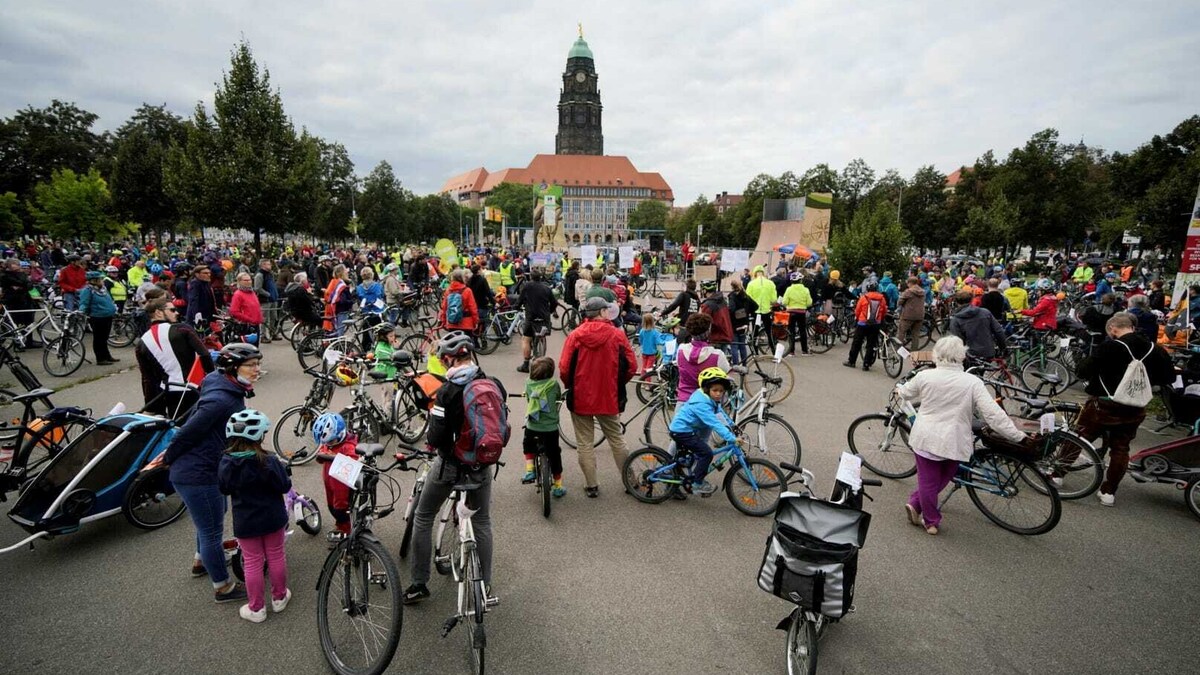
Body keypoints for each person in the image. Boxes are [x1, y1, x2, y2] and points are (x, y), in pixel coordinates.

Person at [145, 343, 261, 604]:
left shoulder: (222, 384)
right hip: (197, 472)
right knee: (211, 531)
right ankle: (223, 587)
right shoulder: (221, 400)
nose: (257, 370)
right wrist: (168, 458)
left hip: (207, 467)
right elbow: (188, 431)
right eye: (251, 365)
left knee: (212, 517)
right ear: (233, 368)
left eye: (257, 364)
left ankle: (200, 562)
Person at [403, 332, 501, 604]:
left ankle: (419, 583)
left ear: (448, 359)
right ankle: (485, 588)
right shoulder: (492, 383)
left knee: (423, 516)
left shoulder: (446, 393)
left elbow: (435, 439)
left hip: (451, 466)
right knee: (482, 521)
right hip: (482, 464)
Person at [897, 336, 1027, 534]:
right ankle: (918, 506)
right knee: (945, 476)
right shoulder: (972, 382)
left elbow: (906, 393)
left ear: (936, 355)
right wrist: (1017, 435)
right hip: (955, 441)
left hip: (926, 437)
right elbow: (992, 414)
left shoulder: (925, 376)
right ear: (961, 356)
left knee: (927, 481)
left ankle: (929, 520)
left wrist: (899, 389)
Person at [1073, 313, 1175, 506]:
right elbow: (1168, 378)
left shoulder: (1109, 346)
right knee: (1121, 448)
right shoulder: (1156, 349)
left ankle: (1057, 474)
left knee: (1080, 437)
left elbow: (1083, 371)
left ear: (1113, 328)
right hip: (1135, 408)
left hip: (1104, 403)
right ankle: (1109, 492)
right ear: (1132, 327)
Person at [217, 409, 292, 623]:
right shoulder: (268, 460)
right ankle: (279, 598)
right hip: (273, 518)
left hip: (246, 522)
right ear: (259, 436)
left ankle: (257, 609)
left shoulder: (227, 462)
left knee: (252, 562)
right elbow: (285, 486)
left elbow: (223, 488)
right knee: (276, 555)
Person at [559, 297, 637, 498]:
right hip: (608, 396)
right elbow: (631, 365)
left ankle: (591, 484)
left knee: (585, 442)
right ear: (602, 312)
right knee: (616, 439)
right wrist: (619, 383)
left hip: (581, 396)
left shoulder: (576, 335)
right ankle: (630, 481)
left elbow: (565, 368)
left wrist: (571, 385)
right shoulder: (616, 335)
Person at [135, 298, 214, 417]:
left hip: (169, 392)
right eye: (172, 310)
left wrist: (152, 407)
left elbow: (148, 378)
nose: (176, 312)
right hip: (194, 388)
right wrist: (213, 378)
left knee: (178, 430)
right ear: (158, 312)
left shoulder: (142, 342)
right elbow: (204, 354)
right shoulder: (182, 329)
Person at [668, 367, 738, 497]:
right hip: (682, 431)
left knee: (687, 457)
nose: (718, 394)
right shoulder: (701, 404)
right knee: (706, 453)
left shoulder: (708, 398)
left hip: (687, 430)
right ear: (707, 389)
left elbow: (719, 412)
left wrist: (732, 425)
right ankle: (697, 483)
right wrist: (731, 437)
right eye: (715, 390)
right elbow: (714, 422)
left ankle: (681, 479)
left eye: (721, 391)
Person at [521, 356, 566, 498]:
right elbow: (558, 396)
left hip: (533, 425)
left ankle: (530, 470)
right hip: (550, 428)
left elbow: (528, 398)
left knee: (528, 445)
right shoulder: (553, 384)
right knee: (554, 454)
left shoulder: (528, 383)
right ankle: (558, 486)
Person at [313, 411, 358, 539]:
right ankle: (341, 525)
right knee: (331, 506)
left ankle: (346, 531)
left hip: (341, 485)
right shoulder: (329, 442)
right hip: (329, 482)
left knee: (341, 509)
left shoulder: (347, 446)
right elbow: (323, 450)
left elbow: (353, 460)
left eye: (331, 441)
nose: (328, 445)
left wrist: (334, 457)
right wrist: (322, 455)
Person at [675, 313, 731, 403]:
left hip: (684, 400)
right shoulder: (717, 355)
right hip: (707, 402)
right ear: (708, 332)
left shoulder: (681, 350)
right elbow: (726, 370)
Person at [514, 268, 554, 373]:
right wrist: (549, 312)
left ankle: (526, 364)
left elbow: (520, 300)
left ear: (531, 277)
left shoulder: (527, 287)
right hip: (544, 319)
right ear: (540, 277)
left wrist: (516, 307)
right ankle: (541, 356)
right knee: (543, 335)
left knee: (526, 339)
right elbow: (554, 303)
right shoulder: (547, 288)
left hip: (531, 318)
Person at [948, 290, 1006, 361]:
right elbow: (999, 331)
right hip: (988, 352)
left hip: (969, 355)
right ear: (971, 300)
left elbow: (957, 341)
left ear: (956, 302)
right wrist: (1003, 347)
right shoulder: (985, 312)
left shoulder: (956, 320)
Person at [844, 282, 887, 371]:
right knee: (871, 344)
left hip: (863, 323)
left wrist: (858, 319)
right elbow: (884, 311)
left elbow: (857, 310)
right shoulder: (882, 299)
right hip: (875, 324)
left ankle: (851, 361)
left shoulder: (864, 298)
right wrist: (880, 319)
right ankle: (866, 364)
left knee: (857, 342)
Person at [79, 270, 119, 365]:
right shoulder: (88, 290)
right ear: (94, 280)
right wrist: (81, 312)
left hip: (107, 316)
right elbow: (84, 303)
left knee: (105, 338)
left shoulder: (103, 289)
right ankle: (100, 358)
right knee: (99, 339)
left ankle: (107, 356)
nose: (102, 280)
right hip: (97, 317)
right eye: (100, 279)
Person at [726, 278, 757, 366]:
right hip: (744, 324)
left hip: (735, 324)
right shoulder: (745, 296)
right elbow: (756, 306)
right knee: (742, 345)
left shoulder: (732, 296)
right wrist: (747, 312)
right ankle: (744, 364)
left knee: (734, 346)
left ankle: (736, 365)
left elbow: (731, 309)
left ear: (732, 287)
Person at [439, 268, 478, 334]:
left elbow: (444, 307)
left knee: (454, 343)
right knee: (469, 343)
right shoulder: (467, 290)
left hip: (452, 323)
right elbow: (473, 308)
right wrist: (475, 322)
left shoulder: (448, 290)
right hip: (466, 324)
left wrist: (443, 321)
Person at [781, 272, 812, 356]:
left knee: (791, 331)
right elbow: (809, 303)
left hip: (791, 312)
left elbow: (784, 302)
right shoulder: (805, 290)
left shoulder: (789, 289)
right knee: (802, 331)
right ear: (800, 280)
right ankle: (804, 351)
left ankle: (791, 351)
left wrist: (789, 305)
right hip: (801, 312)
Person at [228, 272, 263, 338]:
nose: (248, 282)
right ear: (239, 281)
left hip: (255, 325)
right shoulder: (238, 294)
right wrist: (249, 319)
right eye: (245, 280)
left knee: (255, 347)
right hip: (245, 326)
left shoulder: (252, 292)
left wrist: (259, 318)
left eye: (249, 280)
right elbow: (234, 311)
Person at [896, 276, 926, 350]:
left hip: (908, 315)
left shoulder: (908, 291)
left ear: (909, 283)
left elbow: (900, 302)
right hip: (919, 315)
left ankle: (899, 350)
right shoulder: (922, 291)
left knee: (901, 333)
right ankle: (914, 351)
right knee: (915, 335)